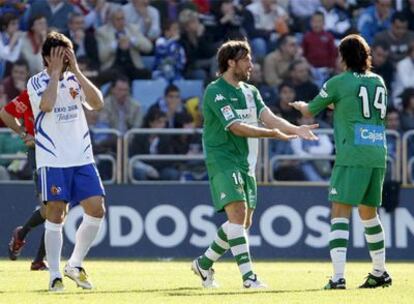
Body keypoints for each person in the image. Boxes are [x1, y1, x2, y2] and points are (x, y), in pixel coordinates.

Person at [191, 39, 318, 289]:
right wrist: (272, 134)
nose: (252, 64)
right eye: (247, 59)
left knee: (242, 223)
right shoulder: (215, 91)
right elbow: (236, 128)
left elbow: (269, 117)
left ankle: (203, 264)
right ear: (231, 62)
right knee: (237, 216)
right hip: (223, 159)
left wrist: (296, 128)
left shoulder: (251, 92)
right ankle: (249, 278)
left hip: (246, 162)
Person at [290, 34, 392, 289]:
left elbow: (310, 110)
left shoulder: (338, 82)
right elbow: (360, 107)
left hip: (352, 154)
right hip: (377, 152)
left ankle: (337, 278)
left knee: (339, 212)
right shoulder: (378, 81)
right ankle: (380, 272)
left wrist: (300, 105)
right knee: (369, 213)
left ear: (344, 57)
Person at [27, 31, 105, 292]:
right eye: (59, 54)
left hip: (81, 157)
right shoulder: (36, 82)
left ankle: (75, 264)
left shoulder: (75, 79)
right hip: (53, 158)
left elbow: (97, 103)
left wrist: (78, 71)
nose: (64, 58)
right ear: (47, 57)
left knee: (97, 208)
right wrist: (55, 73)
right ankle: (54, 273)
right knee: (57, 214)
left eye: (67, 53)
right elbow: (47, 105)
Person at [0, 89, 48, 271]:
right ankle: (23, 236)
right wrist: (23, 133)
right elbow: (5, 113)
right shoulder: (34, 91)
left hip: (62, 154)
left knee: (59, 210)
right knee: (49, 208)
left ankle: (36, 258)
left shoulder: (67, 89)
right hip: (39, 153)